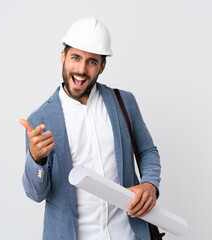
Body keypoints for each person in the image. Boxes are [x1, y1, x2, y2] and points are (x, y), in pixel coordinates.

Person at [19, 17, 161, 240]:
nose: (81, 69)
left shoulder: (124, 103)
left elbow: (147, 151)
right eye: (75, 58)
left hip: (127, 234)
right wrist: (36, 159)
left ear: (102, 66)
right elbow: (36, 194)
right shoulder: (40, 120)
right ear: (63, 56)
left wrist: (149, 185)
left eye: (92, 61)